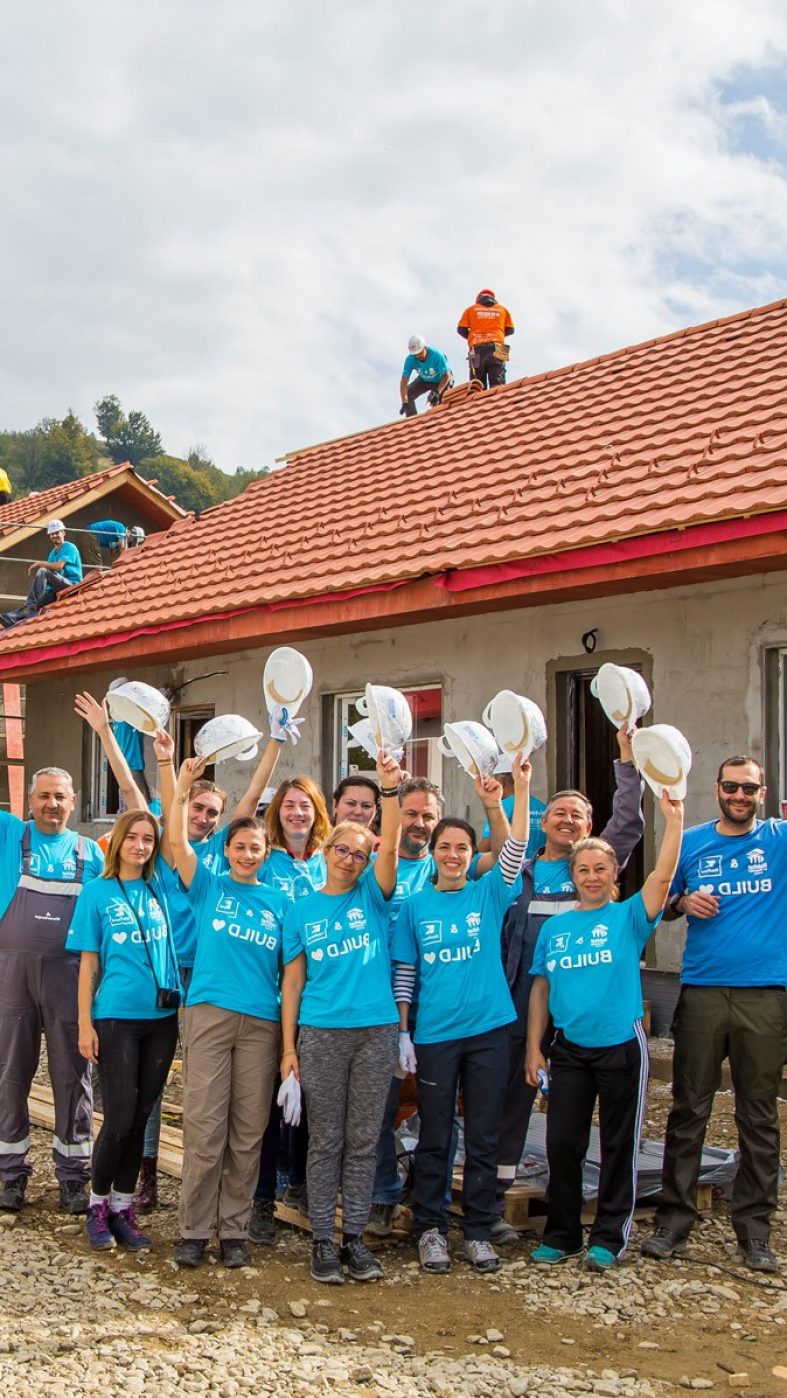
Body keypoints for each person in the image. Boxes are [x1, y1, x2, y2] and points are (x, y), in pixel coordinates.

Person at [491, 727, 644, 1246]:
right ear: (544, 820)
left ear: (590, 827)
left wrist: (626, 755)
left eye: (578, 814)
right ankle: (498, 1197)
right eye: (559, 812)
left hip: (587, 1011)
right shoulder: (524, 873)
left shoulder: (598, 863)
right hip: (527, 997)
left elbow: (629, 817)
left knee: (583, 1118)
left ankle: (597, 1222)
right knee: (517, 1097)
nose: (567, 819)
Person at [526, 790, 684, 1270]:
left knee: (619, 1143)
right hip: (570, 1050)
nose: (591, 877)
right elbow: (541, 990)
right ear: (572, 878)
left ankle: (609, 1236)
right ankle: (563, 1234)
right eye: (583, 871)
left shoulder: (629, 916)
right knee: (562, 1143)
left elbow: (662, 875)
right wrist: (535, 1048)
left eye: (600, 869)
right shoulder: (556, 929)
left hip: (620, 1046)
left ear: (614, 874)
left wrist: (673, 821)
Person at [642, 756, 787, 1274]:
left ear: (762, 793)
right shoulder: (695, 841)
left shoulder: (778, 840)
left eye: (749, 787)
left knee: (759, 1115)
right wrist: (685, 899)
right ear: (718, 789)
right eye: (731, 786)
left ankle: (754, 1232)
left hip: (765, 994)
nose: (740, 795)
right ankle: (673, 1223)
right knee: (688, 1109)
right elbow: (664, 901)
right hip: (702, 991)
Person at [392, 757, 531, 1276]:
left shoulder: (488, 893)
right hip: (435, 1036)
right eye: (444, 847)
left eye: (462, 848)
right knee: (435, 1134)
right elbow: (406, 972)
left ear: (474, 857)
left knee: (484, 1134)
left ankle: (477, 1229)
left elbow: (514, 849)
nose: (452, 855)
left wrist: (503, 796)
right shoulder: (415, 907)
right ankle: (430, 1228)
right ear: (433, 853)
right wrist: (404, 1031)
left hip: (490, 1030)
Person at [280, 751, 404, 1285]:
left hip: (375, 1031)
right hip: (322, 1033)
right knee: (325, 1139)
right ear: (326, 851)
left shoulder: (375, 898)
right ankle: (323, 1242)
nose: (351, 858)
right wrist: (289, 1048)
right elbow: (292, 982)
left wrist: (391, 790)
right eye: (344, 850)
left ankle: (355, 1238)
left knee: (362, 1139)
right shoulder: (302, 907)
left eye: (361, 852)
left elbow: (393, 845)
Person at [169, 759, 288, 1269]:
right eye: (237, 846)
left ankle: (234, 1231)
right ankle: (194, 1230)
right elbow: (175, 842)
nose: (245, 854)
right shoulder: (209, 887)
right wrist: (177, 783)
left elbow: (293, 975)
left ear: (266, 854)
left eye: (254, 848)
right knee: (204, 1125)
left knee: (247, 1129)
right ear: (226, 850)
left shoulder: (281, 902)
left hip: (262, 1021)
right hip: (211, 1014)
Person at [69, 810, 180, 1251]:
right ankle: (96, 1206)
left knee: (140, 1119)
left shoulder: (162, 887)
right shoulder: (96, 893)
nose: (140, 845)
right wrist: (84, 1024)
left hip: (162, 1021)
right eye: (131, 837)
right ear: (116, 842)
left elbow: (177, 827)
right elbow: (88, 965)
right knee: (117, 1118)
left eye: (147, 839)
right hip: (115, 1018)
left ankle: (122, 1207)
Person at [0, 767, 104, 1214]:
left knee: (73, 1077)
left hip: (71, 978)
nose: (51, 804)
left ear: (75, 800)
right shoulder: (10, 836)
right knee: (9, 1074)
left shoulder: (91, 853)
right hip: (12, 975)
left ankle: (73, 1177)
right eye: (43, 796)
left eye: (60, 796)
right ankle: (10, 1174)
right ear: (28, 799)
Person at [368, 777, 445, 1235]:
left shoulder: (453, 867)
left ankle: (429, 1196)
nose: (419, 824)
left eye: (427, 816)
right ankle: (382, 1194)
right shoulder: (375, 866)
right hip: (380, 1008)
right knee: (380, 1108)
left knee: (439, 1108)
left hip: (436, 1008)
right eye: (410, 814)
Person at [1, 519, 83, 628]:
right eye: (52, 533)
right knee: (37, 604)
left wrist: (40, 564)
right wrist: (44, 598)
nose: (55, 535)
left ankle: (29, 607)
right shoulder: (52, 554)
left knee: (43, 571)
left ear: (63, 532)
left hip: (71, 585)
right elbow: (52, 579)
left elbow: (59, 566)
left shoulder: (69, 547)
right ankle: (12, 618)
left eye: (57, 532)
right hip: (56, 588)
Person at [478, 757, 546, 861]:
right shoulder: (543, 808)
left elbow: (485, 847)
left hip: (513, 873)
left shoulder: (500, 807)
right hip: (537, 871)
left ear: (501, 781)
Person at [456, 290, 515, 389]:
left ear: (478, 299)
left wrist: (473, 337)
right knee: (499, 383)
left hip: (476, 348)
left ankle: (478, 404)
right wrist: (496, 336)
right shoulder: (503, 310)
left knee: (477, 386)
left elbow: (461, 329)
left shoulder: (470, 310)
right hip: (499, 346)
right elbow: (511, 330)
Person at [399, 335, 453, 417]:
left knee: (440, 402)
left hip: (441, 380)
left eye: (420, 353)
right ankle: (413, 422)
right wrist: (404, 401)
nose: (418, 356)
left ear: (425, 347)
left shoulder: (437, 356)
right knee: (408, 394)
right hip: (424, 380)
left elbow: (446, 376)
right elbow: (404, 382)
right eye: (415, 354)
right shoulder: (410, 360)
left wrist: (437, 392)